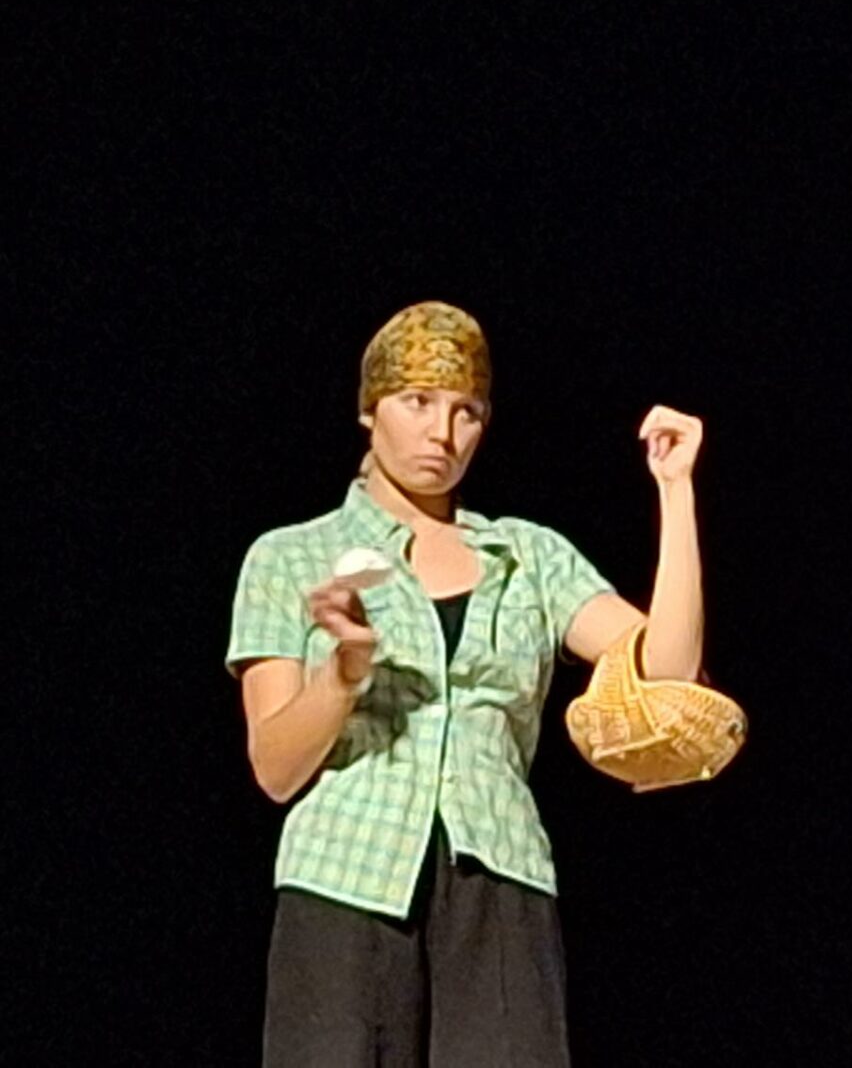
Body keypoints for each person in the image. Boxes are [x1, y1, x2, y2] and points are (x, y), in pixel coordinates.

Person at [226, 301, 705, 1065]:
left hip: (500, 881)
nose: (442, 434)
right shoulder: (291, 556)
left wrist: (675, 492)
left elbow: (668, 672)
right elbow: (275, 768)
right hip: (343, 881)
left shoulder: (528, 557)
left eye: (467, 411)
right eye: (418, 402)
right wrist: (343, 671)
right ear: (369, 408)